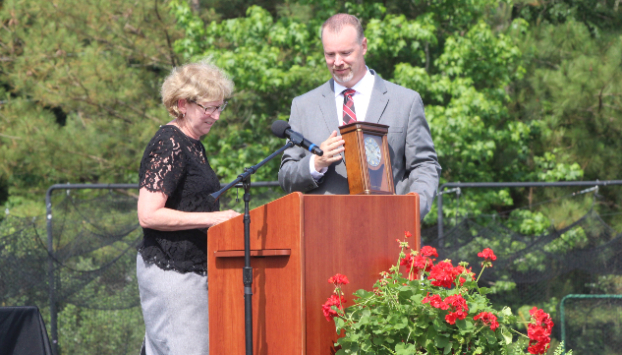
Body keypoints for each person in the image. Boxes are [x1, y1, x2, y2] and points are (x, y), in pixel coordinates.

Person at [278, 14, 441, 219]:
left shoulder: (406, 102)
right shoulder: (303, 106)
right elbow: (286, 177)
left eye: (346, 53)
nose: (337, 62)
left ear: (363, 46)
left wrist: (411, 210)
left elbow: (424, 165)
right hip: (324, 234)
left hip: (389, 227)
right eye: (330, 54)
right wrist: (316, 163)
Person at [136, 61, 240, 355]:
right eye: (209, 108)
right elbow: (148, 214)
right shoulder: (169, 143)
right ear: (182, 103)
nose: (216, 116)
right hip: (173, 272)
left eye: (220, 107)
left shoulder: (193, 144)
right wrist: (215, 218)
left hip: (193, 270)